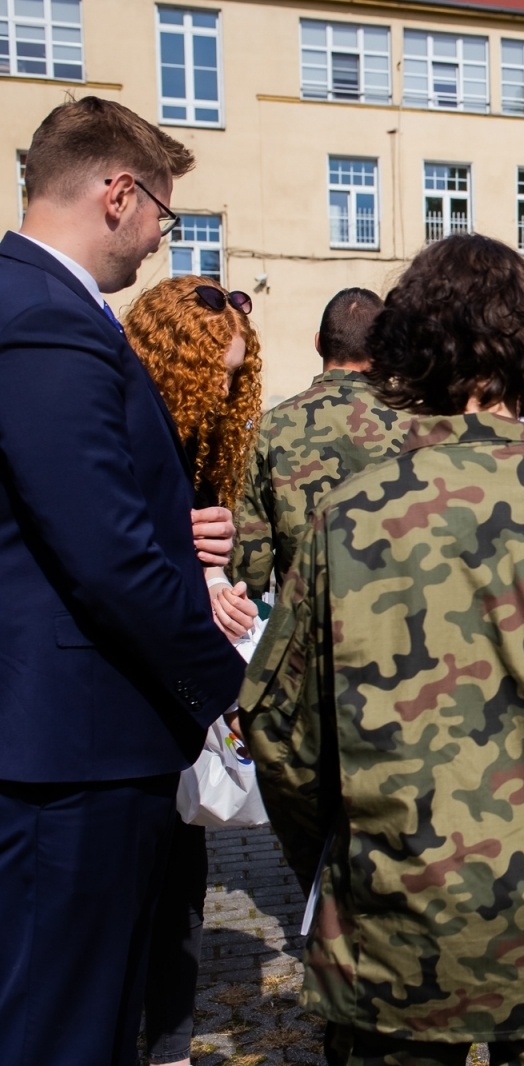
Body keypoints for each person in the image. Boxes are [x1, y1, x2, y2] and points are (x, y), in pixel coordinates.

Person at [240, 234, 524, 1066]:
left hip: (400, 935)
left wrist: (349, 861)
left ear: (410, 357)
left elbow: (286, 748)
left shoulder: (348, 522)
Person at [0, 97, 246, 1066]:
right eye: (164, 217)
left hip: (73, 741)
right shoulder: (47, 320)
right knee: (65, 1027)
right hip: (76, 753)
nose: (159, 243)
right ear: (118, 193)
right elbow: (105, 559)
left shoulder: (42, 309)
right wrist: (232, 695)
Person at [123, 275, 264, 1066]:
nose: (224, 390)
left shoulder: (200, 447)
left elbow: (190, 569)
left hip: (175, 709)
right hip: (123, 709)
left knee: (180, 890)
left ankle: (171, 1049)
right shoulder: (118, 431)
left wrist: (217, 580)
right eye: (215, 372)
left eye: (238, 375)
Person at [233, 287, 412, 606]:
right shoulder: (418, 425)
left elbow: (251, 561)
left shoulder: (271, 428)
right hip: (399, 626)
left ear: (318, 343)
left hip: (305, 629)